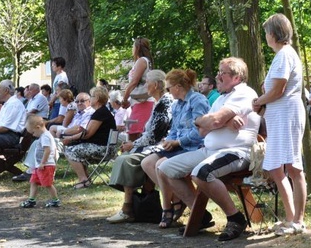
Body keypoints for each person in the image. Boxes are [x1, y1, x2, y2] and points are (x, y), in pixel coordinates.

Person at [157, 58, 260, 242]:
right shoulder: (221, 98)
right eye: (219, 72)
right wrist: (222, 121)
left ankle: (234, 218)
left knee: (202, 173)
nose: (218, 76)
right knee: (165, 168)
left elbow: (212, 121)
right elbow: (203, 128)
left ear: (237, 77)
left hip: (235, 151)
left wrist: (214, 121)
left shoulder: (244, 93)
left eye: (223, 73)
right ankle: (201, 217)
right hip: (210, 150)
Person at [252, 13, 306, 236]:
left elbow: (278, 90)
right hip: (280, 115)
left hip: (287, 114)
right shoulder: (283, 55)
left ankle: (298, 221)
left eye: (266, 33)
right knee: (276, 167)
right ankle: (290, 217)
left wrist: (258, 101)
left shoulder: (284, 54)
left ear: (273, 34)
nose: (265, 37)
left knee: (293, 167)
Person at [140, 69, 209, 227]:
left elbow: (199, 131)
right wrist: (169, 141)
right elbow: (174, 130)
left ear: (178, 87)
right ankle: (177, 201)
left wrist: (177, 142)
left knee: (159, 165)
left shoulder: (197, 101)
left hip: (193, 147)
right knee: (147, 163)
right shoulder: (177, 104)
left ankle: (168, 208)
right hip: (178, 145)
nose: (168, 91)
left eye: (169, 88)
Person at [106, 69, 172, 223]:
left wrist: (133, 144)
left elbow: (155, 135)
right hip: (155, 145)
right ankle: (137, 205)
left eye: (146, 83)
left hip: (163, 146)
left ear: (155, 85)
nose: (144, 86)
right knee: (126, 157)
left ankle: (128, 208)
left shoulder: (165, 102)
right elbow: (150, 133)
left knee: (126, 160)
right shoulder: (158, 102)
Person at [63, 86, 117, 189]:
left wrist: (70, 138)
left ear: (96, 98)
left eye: (91, 96)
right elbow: (87, 133)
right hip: (105, 147)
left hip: (103, 149)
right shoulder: (101, 112)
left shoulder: (100, 113)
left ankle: (83, 180)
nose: (90, 99)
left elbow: (87, 134)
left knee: (69, 150)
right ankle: (86, 178)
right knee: (75, 148)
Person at [19, 115, 60, 208]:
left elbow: (48, 150)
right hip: (39, 166)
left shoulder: (45, 136)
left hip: (46, 165)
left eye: (33, 132)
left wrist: (43, 163)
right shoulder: (42, 136)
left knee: (47, 184)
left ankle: (55, 200)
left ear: (38, 127)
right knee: (33, 181)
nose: (33, 135)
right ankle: (31, 200)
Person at [122, 37, 154, 138]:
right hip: (139, 102)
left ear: (137, 47)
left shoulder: (142, 61)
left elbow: (134, 82)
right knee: (133, 132)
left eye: (133, 47)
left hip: (143, 103)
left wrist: (124, 99)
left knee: (135, 134)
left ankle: (136, 153)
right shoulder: (147, 61)